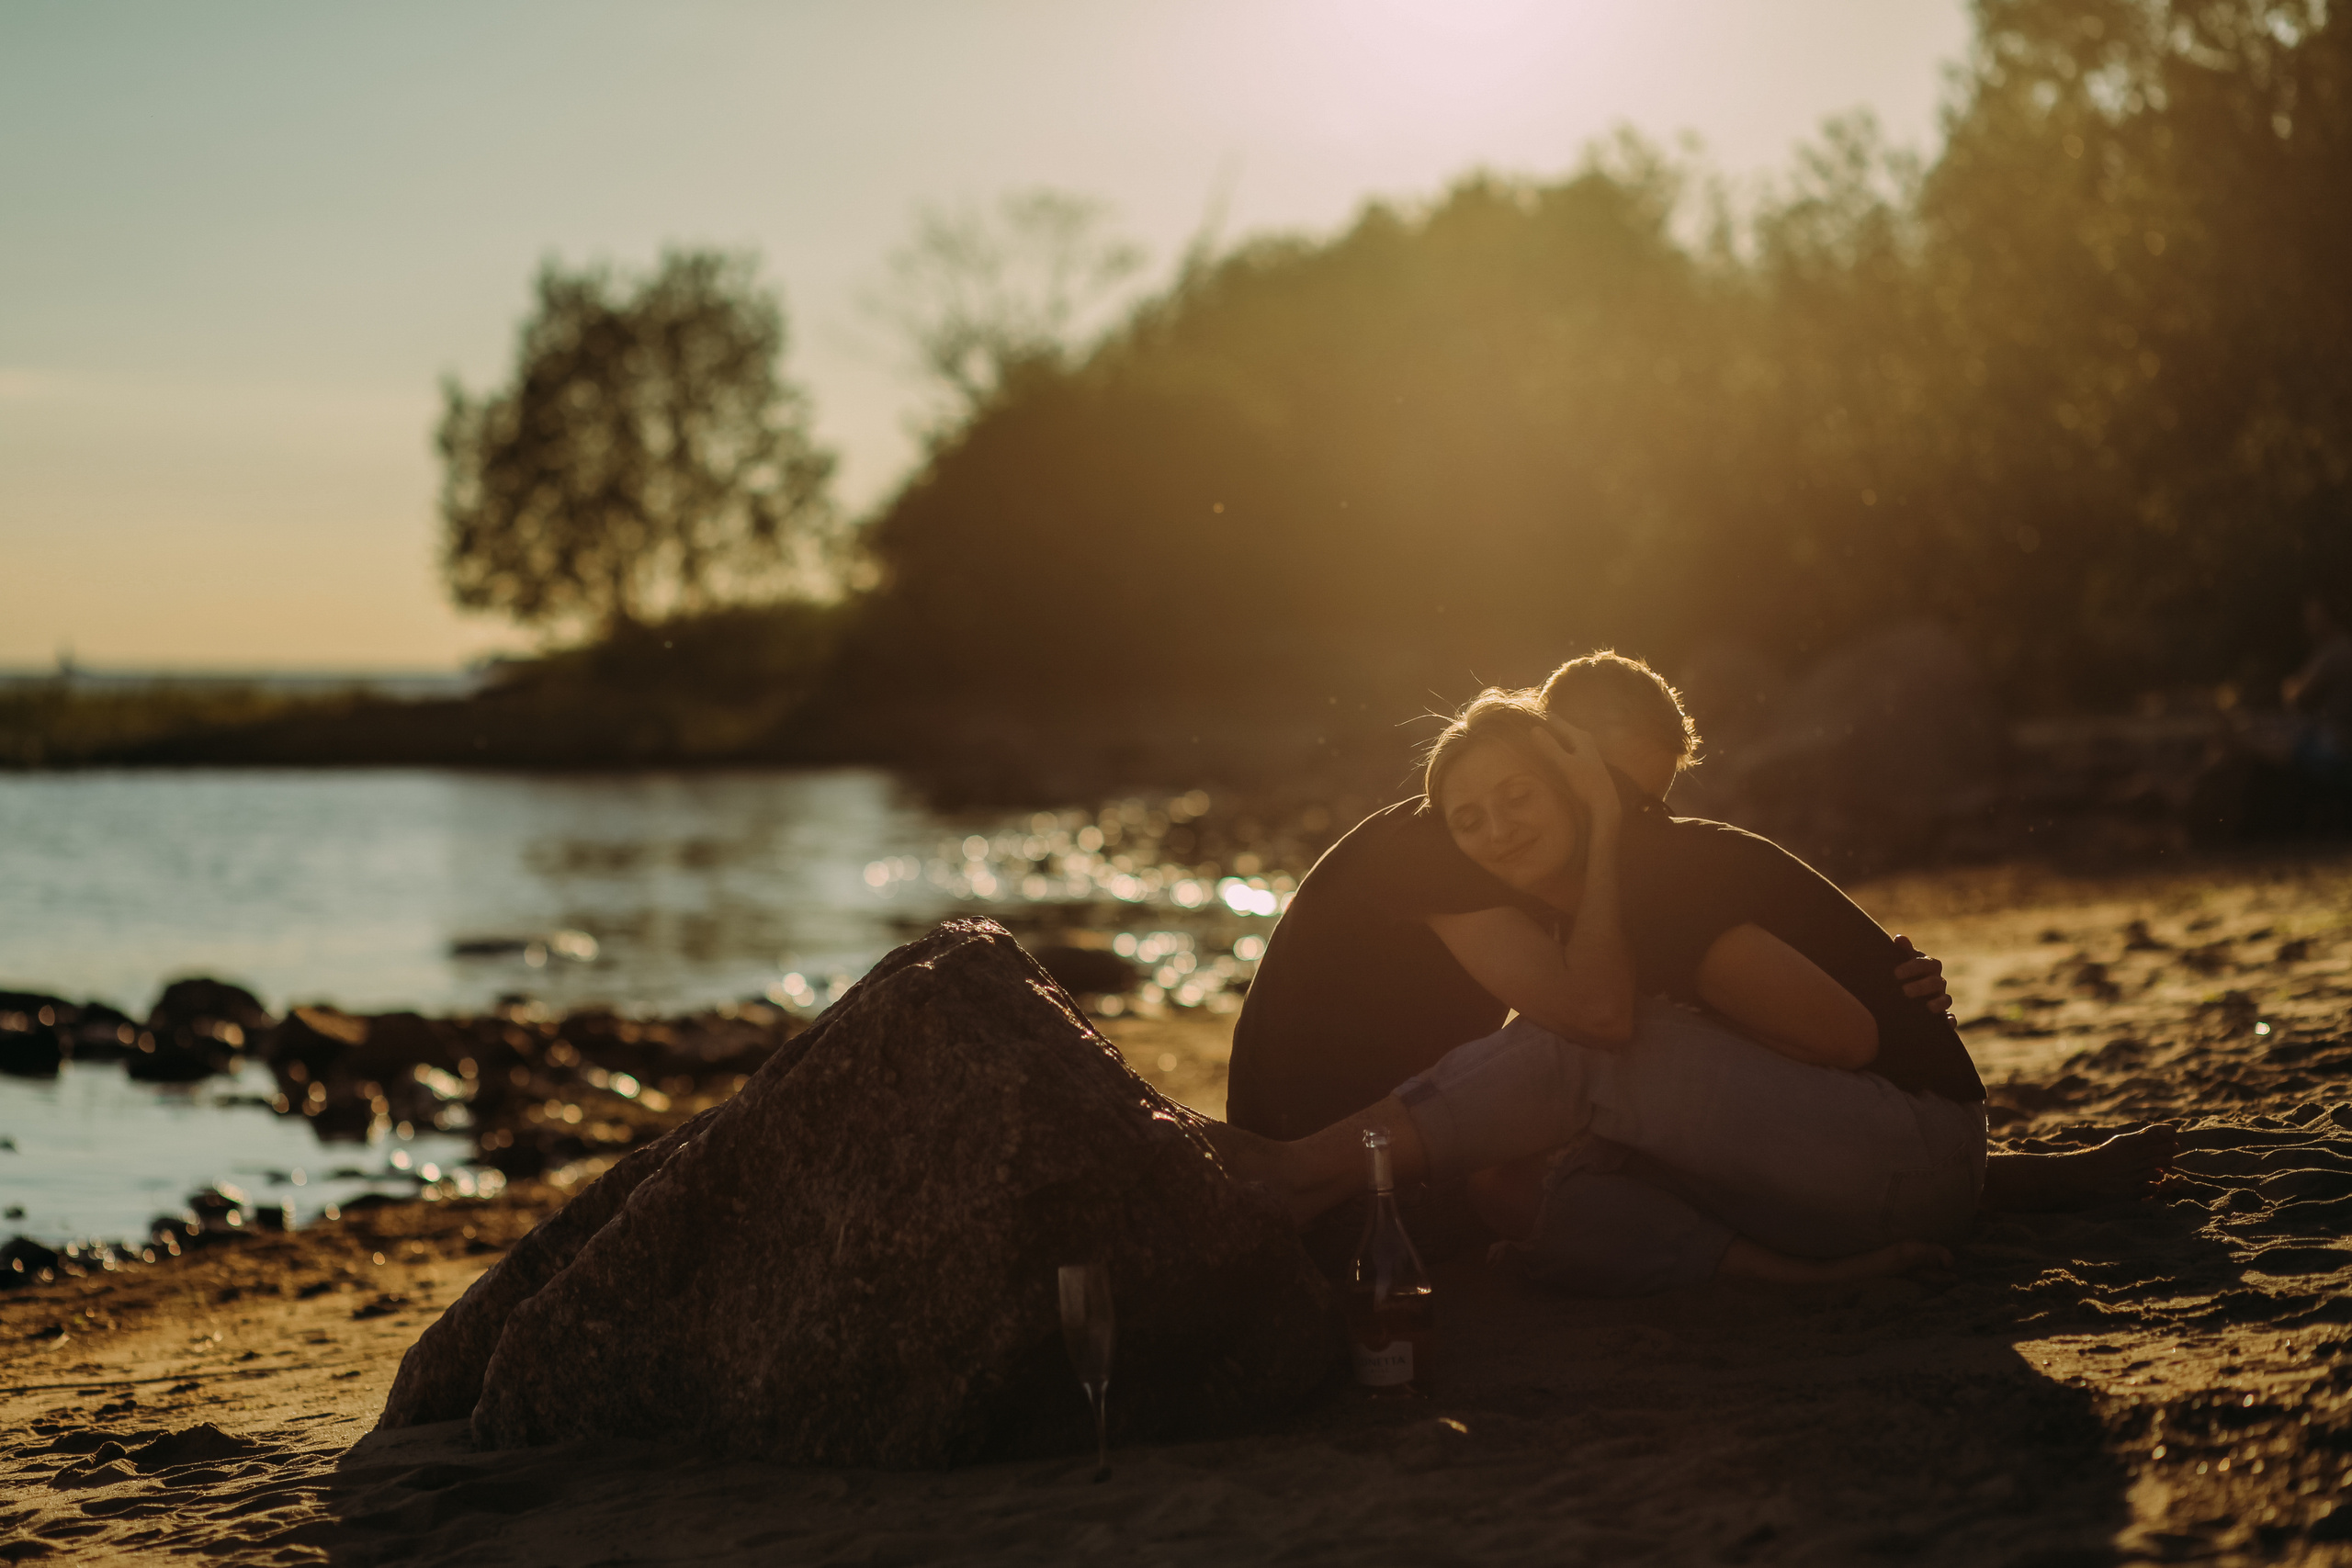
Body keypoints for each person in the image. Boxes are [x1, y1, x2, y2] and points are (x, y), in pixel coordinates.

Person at [1222, 654, 2174, 1286]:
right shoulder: (1453, 843)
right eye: (1610, 789)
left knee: (1593, 1054)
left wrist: (1886, 988)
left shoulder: (1637, 868)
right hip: (1365, 1160)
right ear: (1555, 755)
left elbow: (1806, 1032)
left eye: (1642, 799)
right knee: (1533, 1161)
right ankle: (1816, 1272)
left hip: (1895, 1146)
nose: (1634, 818)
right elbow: (1597, 1022)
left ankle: (1293, 1175)